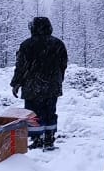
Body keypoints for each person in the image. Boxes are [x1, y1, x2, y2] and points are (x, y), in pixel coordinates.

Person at [11, 16, 68, 151]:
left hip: (32, 87)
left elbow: (21, 66)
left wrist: (16, 83)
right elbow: (63, 64)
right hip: (52, 86)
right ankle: (49, 138)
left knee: (33, 114)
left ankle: (37, 139)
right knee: (50, 112)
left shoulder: (27, 45)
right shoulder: (58, 44)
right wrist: (58, 79)